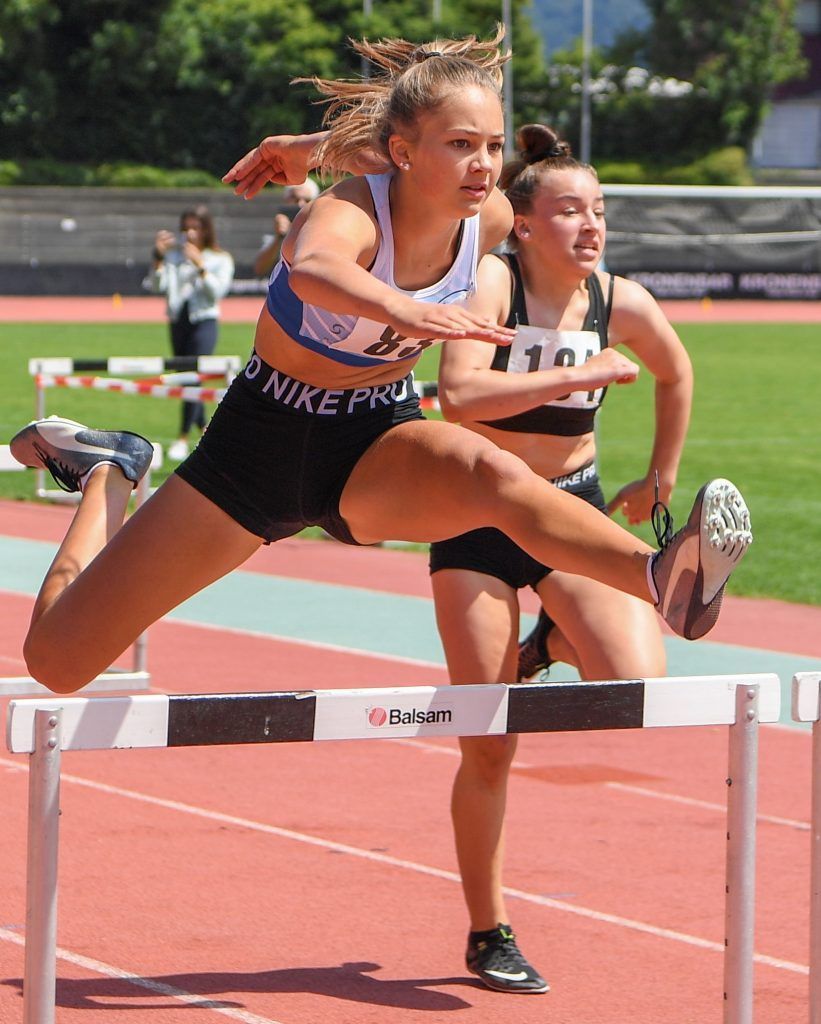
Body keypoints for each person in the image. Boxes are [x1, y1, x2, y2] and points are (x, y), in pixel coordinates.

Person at [10, 29, 751, 993]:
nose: (483, 164)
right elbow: (316, 271)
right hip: (259, 452)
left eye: (490, 147)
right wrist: (409, 310)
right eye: (460, 145)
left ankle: (660, 575)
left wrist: (305, 144)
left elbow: (444, 171)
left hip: (373, 442)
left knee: (487, 477)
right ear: (405, 152)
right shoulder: (355, 209)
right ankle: (111, 468)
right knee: (57, 665)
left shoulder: (487, 224)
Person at [427, 122, 693, 993]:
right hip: (476, 518)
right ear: (526, 224)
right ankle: (486, 929)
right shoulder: (490, 283)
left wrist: (659, 476)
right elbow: (458, 394)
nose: (590, 227)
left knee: (634, 685)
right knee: (488, 743)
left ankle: (542, 645)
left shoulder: (620, 300)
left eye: (600, 212)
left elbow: (673, 371)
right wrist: (572, 379)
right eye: (570, 211)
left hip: (569, 509)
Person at [149, 205, 235, 461]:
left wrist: (200, 266)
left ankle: (183, 437)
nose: (189, 234)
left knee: (192, 377)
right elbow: (157, 286)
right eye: (185, 228)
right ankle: (206, 432)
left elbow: (217, 293)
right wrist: (158, 258)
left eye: (195, 228)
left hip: (204, 321)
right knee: (185, 377)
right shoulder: (174, 257)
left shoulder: (220, 258)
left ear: (206, 230)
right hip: (178, 320)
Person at [253, 178, 321, 278]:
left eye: (307, 200)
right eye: (295, 199)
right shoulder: (276, 231)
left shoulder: (322, 232)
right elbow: (260, 269)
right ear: (285, 200)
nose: (300, 204)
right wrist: (279, 237)